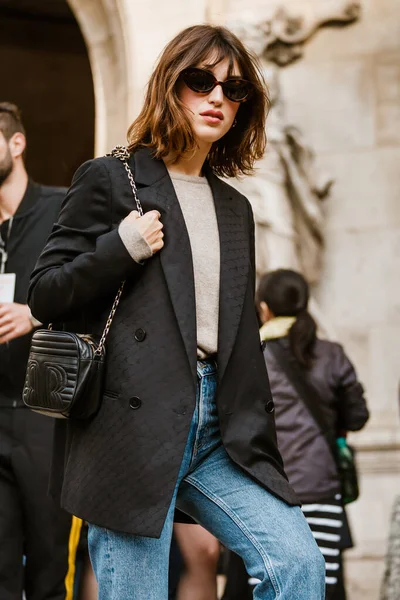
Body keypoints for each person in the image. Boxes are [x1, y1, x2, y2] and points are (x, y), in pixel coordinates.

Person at [28, 25, 325, 600]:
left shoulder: (235, 208)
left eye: (234, 90)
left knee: (297, 565)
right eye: (201, 81)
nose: (217, 97)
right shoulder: (113, 178)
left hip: (219, 429)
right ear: (172, 86)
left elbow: (240, 337)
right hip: (130, 424)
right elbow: (46, 293)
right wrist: (122, 249)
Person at [0, 102, 77, 600]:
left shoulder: (62, 209)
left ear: (16, 143)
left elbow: (103, 294)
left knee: (50, 571)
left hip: (46, 417)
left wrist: (38, 312)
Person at [256, 268, 369, 599]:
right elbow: (358, 415)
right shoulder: (332, 354)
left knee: (270, 582)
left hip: (268, 488)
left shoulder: (252, 356)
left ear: (264, 308)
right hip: (321, 485)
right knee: (323, 583)